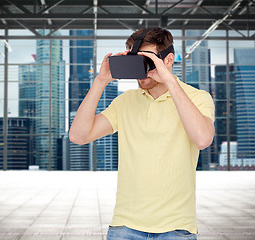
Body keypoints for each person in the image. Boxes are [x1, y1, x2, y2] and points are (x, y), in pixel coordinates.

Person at [69, 27, 215, 240]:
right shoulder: (125, 102)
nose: (142, 70)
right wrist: (100, 81)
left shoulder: (198, 98)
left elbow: (202, 139)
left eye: (148, 61)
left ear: (169, 59)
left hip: (176, 228)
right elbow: (78, 136)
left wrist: (169, 81)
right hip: (125, 226)